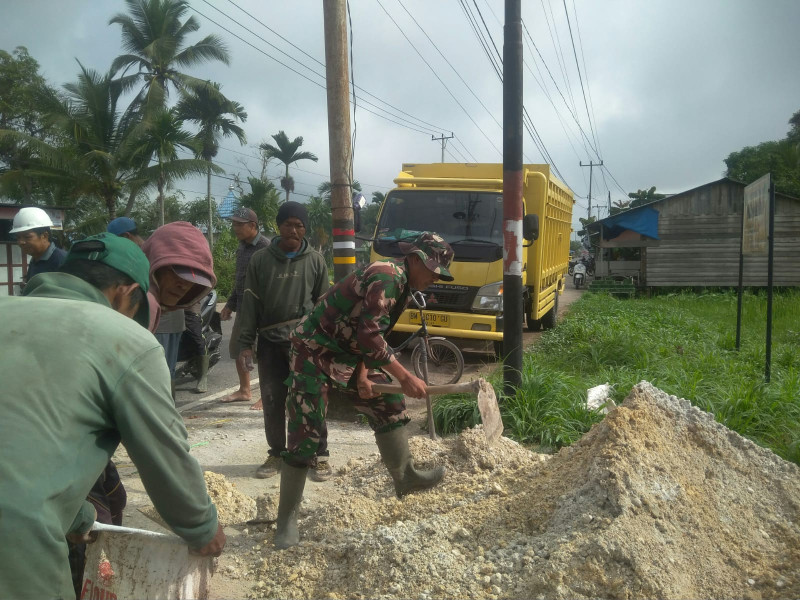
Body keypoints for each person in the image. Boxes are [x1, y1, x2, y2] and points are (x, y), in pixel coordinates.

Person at [0, 232, 225, 599]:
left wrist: (77, 516)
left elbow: (19, 446)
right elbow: (163, 451)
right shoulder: (125, 339)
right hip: (16, 542)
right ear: (125, 293)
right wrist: (201, 526)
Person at [274, 232, 455, 548]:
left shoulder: (404, 289)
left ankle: (406, 475)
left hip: (346, 351)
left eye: (439, 272)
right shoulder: (387, 276)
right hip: (313, 351)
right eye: (432, 268)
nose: (435, 277)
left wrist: (363, 374)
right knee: (307, 431)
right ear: (413, 259)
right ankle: (286, 520)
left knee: (388, 400)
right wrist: (406, 376)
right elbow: (371, 338)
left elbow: (369, 335)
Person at [237, 202, 330, 480]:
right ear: (279, 226)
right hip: (269, 343)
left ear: (305, 229)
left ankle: (320, 453)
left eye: (299, 225)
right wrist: (245, 343)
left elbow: (324, 305)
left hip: (305, 345)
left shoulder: (316, 261)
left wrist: (324, 343)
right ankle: (277, 453)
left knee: (311, 399)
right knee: (273, 398)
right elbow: (250, 302)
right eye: (288, 223)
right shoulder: (261, 260)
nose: (294, 229)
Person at [142, 221, 217, 395]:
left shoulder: (158, 303)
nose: (183, 285)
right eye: (175, 273)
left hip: (177, 321)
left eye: (193, 280)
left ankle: (202, 376)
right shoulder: (143, 305)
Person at [219, 207, 270, 404]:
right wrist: (230, 305)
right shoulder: (242, 247)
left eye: (239, 224)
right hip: (243, 308)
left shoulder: (266, 248)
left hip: (262, 311)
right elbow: (240, 279)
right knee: (238, 348)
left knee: (265, 353)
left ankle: (267, 395)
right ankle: (245, 390)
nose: (235, 228)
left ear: (253, 226)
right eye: (234, 224)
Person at [10, 206, 67, 289]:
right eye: (18, 238)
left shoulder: (62, 261)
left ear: (44, 236)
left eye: (27, 237)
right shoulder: (35, 260)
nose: (21, 242)